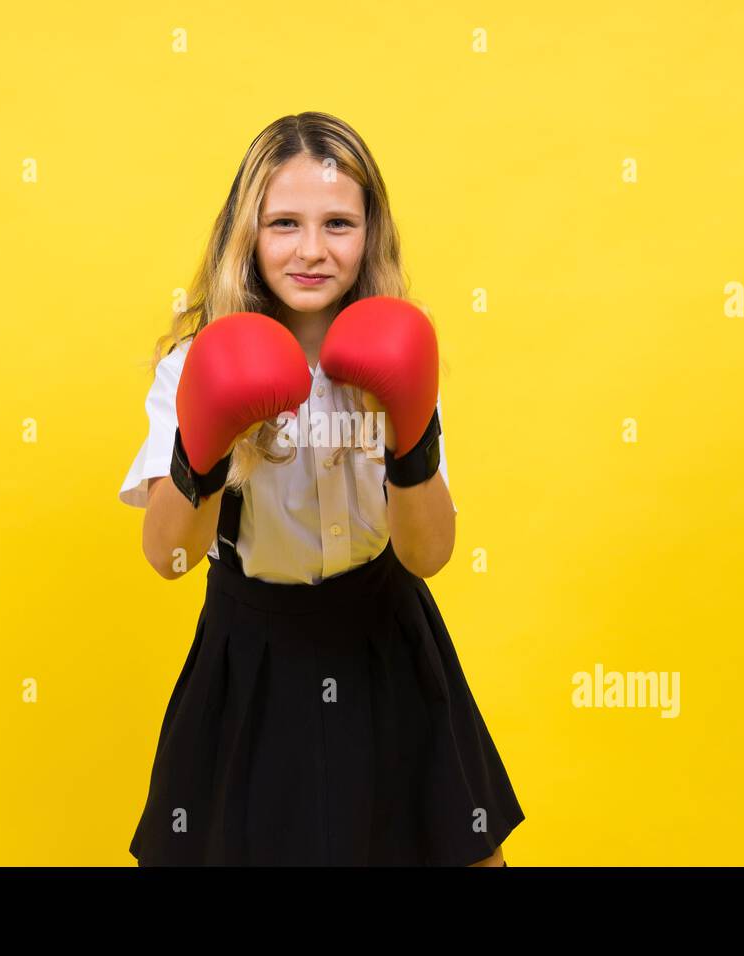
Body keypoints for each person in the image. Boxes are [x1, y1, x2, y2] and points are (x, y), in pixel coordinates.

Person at [119, 111, 524, 865]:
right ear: (247, 233)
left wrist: (411, 431)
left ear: (371, 234)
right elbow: (168, 559)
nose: (311, 249)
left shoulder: (400, 349)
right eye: (284, 224)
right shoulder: (193, 365)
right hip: (253, 653)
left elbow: (429, 553)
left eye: (338, 223)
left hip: (386, 637)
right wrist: (202, 443)